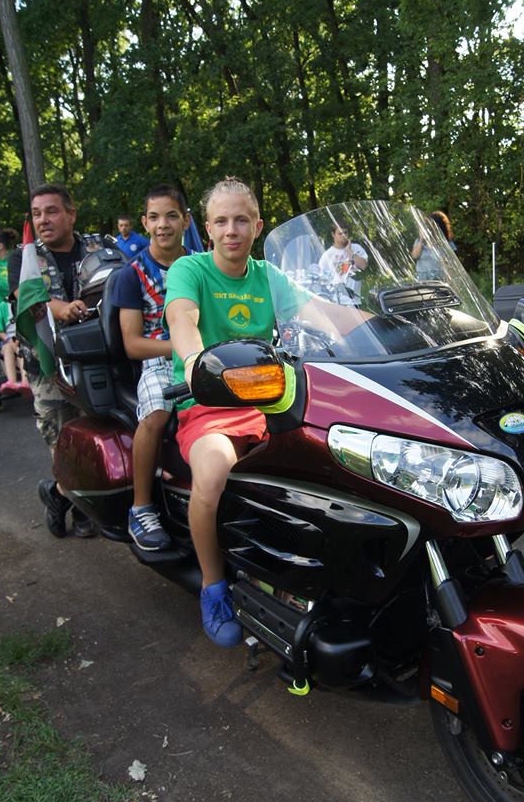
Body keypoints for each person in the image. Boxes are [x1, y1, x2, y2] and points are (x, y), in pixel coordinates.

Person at [165, 178, 351, 647]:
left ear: (258, 226)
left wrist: (396, 328)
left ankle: (299, 577)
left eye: (241, 220)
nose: (232, 230)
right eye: (221, 221)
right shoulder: (190, 269)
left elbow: (325, 314)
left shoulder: (269, 276)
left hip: (268, 400)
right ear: (207, 228)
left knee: (328, 464)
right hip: (208, 402)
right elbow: (182, 319)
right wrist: (194, 362)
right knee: (213, 473)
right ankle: (213, 587)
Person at [8, 182, 96, 539]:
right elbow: (29, 299)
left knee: (95, 438)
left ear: (71, 214)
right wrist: (64, 309)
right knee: (63, 443)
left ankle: (58, 495)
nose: (43, 219)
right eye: (37, 213)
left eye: (52, 211)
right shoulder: (24, 257)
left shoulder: (100, 248)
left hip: (96, 360)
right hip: (49, 366)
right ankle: (79, 507)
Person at [111, 185, 190, 550]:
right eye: (155, 217)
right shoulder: (132, 275)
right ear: (144, 223)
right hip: (159, 361)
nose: (163, 225)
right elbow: (132, 343)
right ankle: (140, 508)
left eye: (171, 216)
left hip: (206, 355)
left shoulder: (202, 265)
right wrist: (180, 347)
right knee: (157, 413)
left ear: (185, 221)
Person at [318, 224, 368, 304]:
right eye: (340, 233)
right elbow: (322, 280)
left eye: (345, 233)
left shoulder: (356, 248)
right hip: (337, 301)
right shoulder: (327, 255)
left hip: (356, 300)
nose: (343, 236)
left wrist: (350, 252)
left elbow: (363, 266)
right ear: (333, 234)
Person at [0, 298, 29, 393]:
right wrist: (9, 340)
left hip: (24, 339)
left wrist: (20, 338)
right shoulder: (3, 305)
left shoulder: (24, 301)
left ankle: (25, 382)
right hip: (8, 340)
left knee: (20, 348)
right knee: (8, 347)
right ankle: (12, 382)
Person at [411, 210, 455, 280]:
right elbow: (415, 256)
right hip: (423, 278)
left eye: (431, 225)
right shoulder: (419, 241)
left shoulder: (446, 243)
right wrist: (422, 240)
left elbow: (452, 263)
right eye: (427, 225)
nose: (429, 227)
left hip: (440, 278)